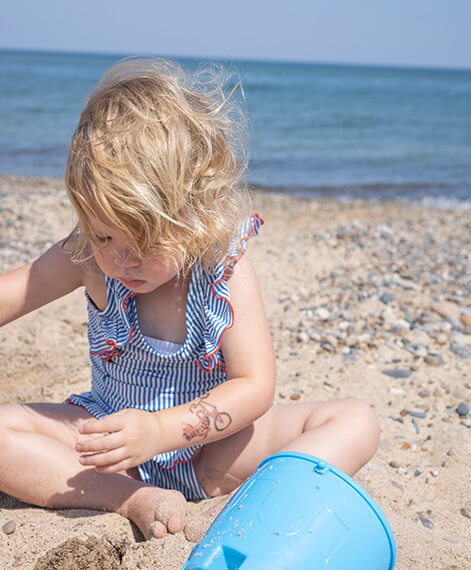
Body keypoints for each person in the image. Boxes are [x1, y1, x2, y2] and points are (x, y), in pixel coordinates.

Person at [0, 59, 380, 542]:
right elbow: (12, 292)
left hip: (213, 455)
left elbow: (255, 385)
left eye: (143, 242)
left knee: (354, 421)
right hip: (111, 445)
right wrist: (133, 446)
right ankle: (129, 500)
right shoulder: (88, 259)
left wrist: (159, 432)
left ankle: (243, 506)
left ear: (194, 215)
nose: (120, 260)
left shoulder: (223, 267)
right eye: (104, 236)